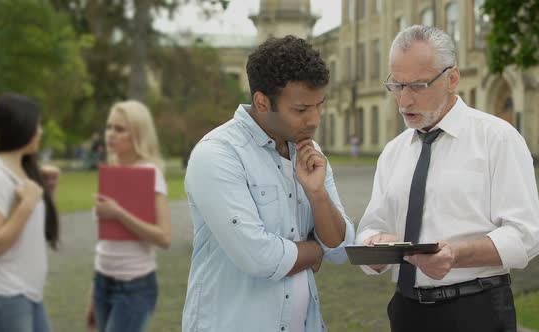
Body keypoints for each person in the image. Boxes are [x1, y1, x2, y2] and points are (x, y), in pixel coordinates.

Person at [355, 25, 539, 332]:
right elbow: (370, 229)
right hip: (405, 312)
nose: (404, 101)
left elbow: (526, 236)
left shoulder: (497, 139)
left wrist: (456, 255)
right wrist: (376, 245)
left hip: (476, 311)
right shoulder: (393, 152)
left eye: (417, 86)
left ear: (452, 78)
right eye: (397, 86)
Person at [182, 35, 355, 332]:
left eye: (319, 105)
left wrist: (317, 194)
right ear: (262, 102)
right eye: (301, 110)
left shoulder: (310, 154)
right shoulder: (218, 154)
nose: (314, 120)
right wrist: (315, 251)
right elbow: (259, 258)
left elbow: (341, 249)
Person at [0, 93, 61, 332]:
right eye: (37, 125)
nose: (40, 131)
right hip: (6, 295)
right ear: (19, 128)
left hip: (27, 294)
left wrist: (48, 193)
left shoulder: (23, 171)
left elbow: (33, 232)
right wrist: (26, 205)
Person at [85, 100, 171, 332]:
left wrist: (119, 213)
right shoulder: (111, 172)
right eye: (109, 127)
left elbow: (164, 237)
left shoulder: (150, 174)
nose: (110, 134)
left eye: (119, 129)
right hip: (103, 281)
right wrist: (94, 293)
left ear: (138, 134)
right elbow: (107, 239)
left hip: (134, 288)